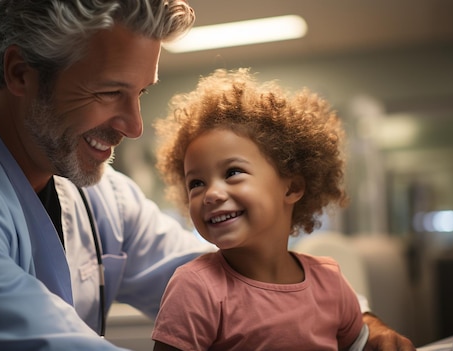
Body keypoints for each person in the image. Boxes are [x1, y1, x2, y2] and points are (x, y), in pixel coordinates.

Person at [0, 0, 415, 350]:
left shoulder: (95, 186)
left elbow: (220, 273)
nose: (134, 126)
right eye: (109, 92)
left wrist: (359, 324)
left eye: (140, 93)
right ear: (21, 72)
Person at [151, 68, 366, 350]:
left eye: (232, 172)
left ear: (291, 188)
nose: (211, 194)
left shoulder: (331, 283)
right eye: (197, 183)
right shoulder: (196, 287)